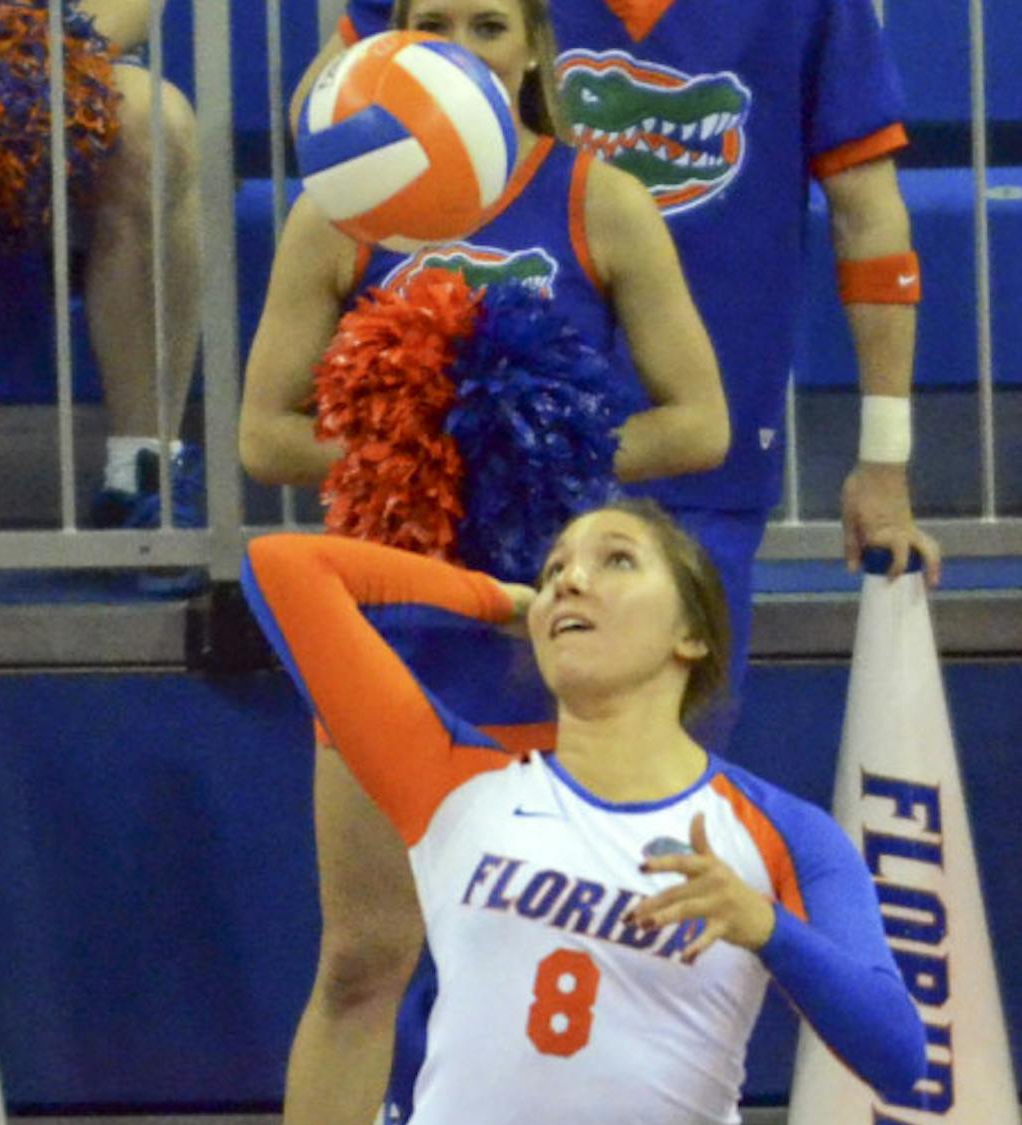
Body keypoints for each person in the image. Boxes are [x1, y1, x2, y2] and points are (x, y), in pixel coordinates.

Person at [241, 4, 729, 1119]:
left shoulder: (600, 197)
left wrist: (530, 451)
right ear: (393, 43)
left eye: (491, 23)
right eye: (434, 22)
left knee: (585, 954)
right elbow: (264, 436)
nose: (462, 44)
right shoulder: (336, 210)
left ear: (533, 51)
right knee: (363, 961)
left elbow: (699, 420)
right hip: (394, 634)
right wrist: (415, 451)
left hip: (552, 639)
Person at [241, 499, 927, 1122]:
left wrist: (766, 928)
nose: (570, 581)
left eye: (617, 560)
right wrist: (495, 599)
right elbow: (283, 566)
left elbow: (898, 1057)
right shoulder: (454, 782)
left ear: (692, 634)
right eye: (554, 571)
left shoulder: (782, 832)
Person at [78, 0, 205, 529]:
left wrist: (4, 70)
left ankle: (141, 470)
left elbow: (120, 14)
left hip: (60, 74)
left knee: (155, 122)